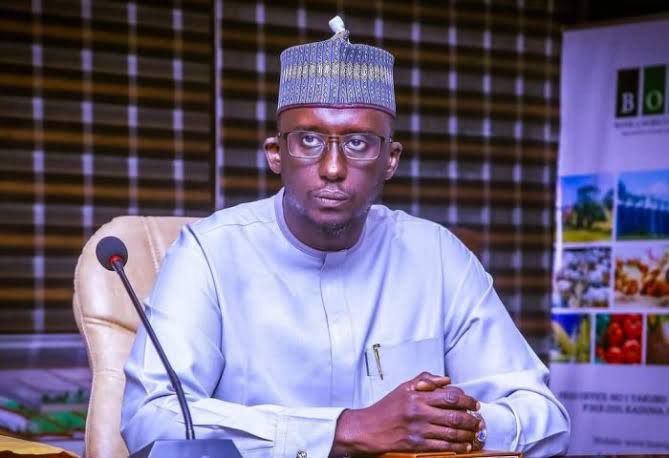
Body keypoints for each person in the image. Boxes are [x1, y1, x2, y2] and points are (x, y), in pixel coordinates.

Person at [121, 16, 570, 457]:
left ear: (390, 159)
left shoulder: (436, 255)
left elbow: (545, 418)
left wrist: (457, 426)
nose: (333, 168)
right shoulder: (209, 253)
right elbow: (152, 418)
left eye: (358, 143)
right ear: (276, 154)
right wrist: (347, 429)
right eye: (308, 140)